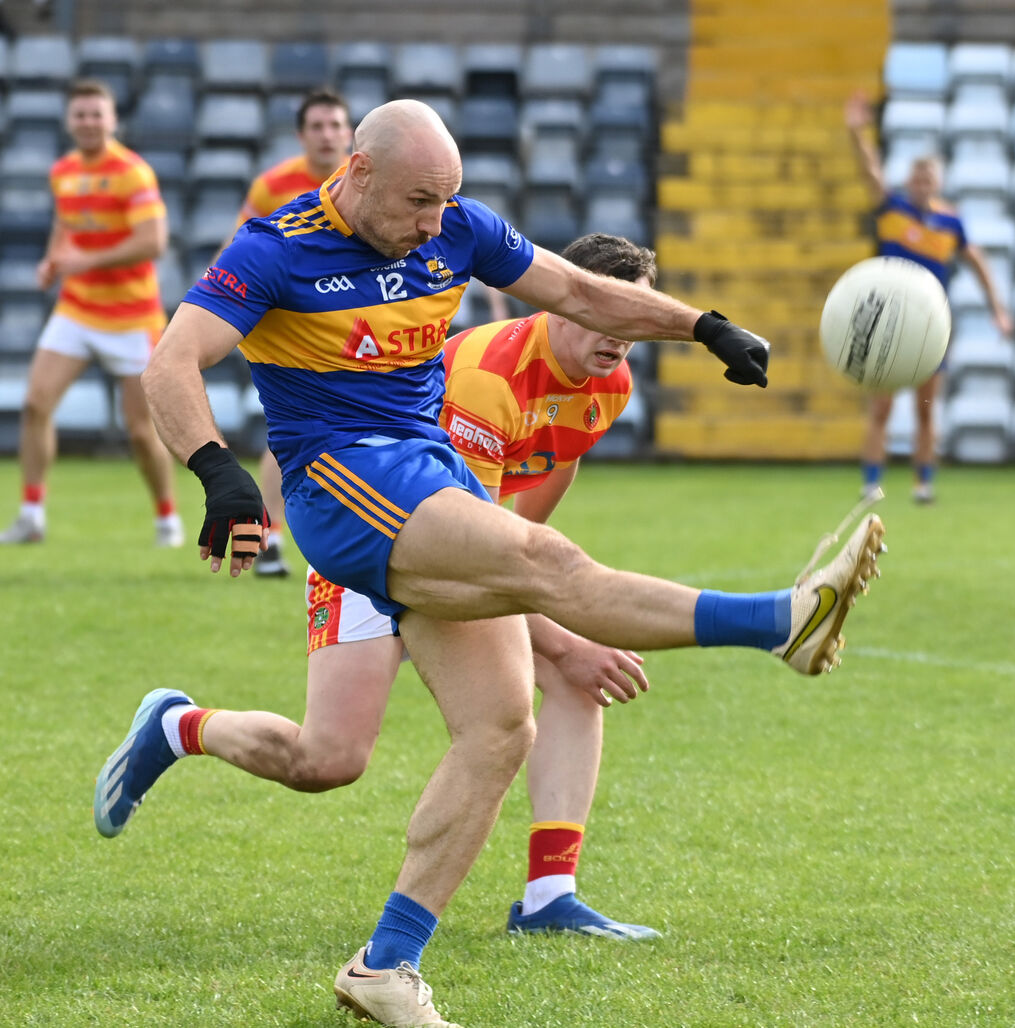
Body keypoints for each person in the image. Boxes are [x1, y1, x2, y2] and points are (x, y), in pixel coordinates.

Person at [95, 100, 886, 1028]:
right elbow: (170, 363)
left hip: (429, 482)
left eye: (448, 200)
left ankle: (378, 956)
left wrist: (703, 327)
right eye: (419, 201)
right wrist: (218, 471)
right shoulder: (274, 250)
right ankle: (780, 622)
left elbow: (579, 289)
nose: (435, 221)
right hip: (343, 485)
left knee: (462, 735)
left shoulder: (457, 230)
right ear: (357, 172)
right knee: (547, 560)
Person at [300, 232, 661, 942]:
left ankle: (550, 897)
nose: (619, 333)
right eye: (604, 310)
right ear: (561, 301)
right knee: (326, 759)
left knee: (565, 683)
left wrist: (543, 582)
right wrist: (562, 624)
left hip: (459, 552)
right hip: (375, 543)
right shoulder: (489, 377)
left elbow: (548, 475)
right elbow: (474, 557)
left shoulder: (611, 383)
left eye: (634, 316)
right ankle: (179, 727)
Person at [0, 78, 182, 547]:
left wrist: (86, 260)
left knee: (140, 431)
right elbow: (65, 224)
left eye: (96, 114)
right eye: (80, 114)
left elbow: (153, 242)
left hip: (132, 317)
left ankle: (167, 517)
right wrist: (53, 260)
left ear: (112, 119)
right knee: (35, 404)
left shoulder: (132, 172)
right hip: (77, 308)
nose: (88, 122)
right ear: (69, 121)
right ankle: (31, 514)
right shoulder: (63, 170)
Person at [844, 90, 1013, 504]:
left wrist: (998, 310)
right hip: (889, 319)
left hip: (931, 323)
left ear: (938, 184)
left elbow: (977, 262)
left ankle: (923, 484)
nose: (922, 186)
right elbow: (870, 171)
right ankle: (871, 485)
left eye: (929, 180)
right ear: (909, 182)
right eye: (917, 179)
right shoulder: (892, 209)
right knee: (881, 408)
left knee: (925, 407)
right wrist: (857, 134)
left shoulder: (951, 222)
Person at [224, 88, 355, 578]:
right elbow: (240, 248)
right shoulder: (272, 186)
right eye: (317, 126)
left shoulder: (367, 180)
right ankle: (273, 538)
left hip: (358, 329)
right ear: (301, 135)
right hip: (291, 331)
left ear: (350, 133)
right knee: (290, 433)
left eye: (335, 125)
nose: (327, 135)